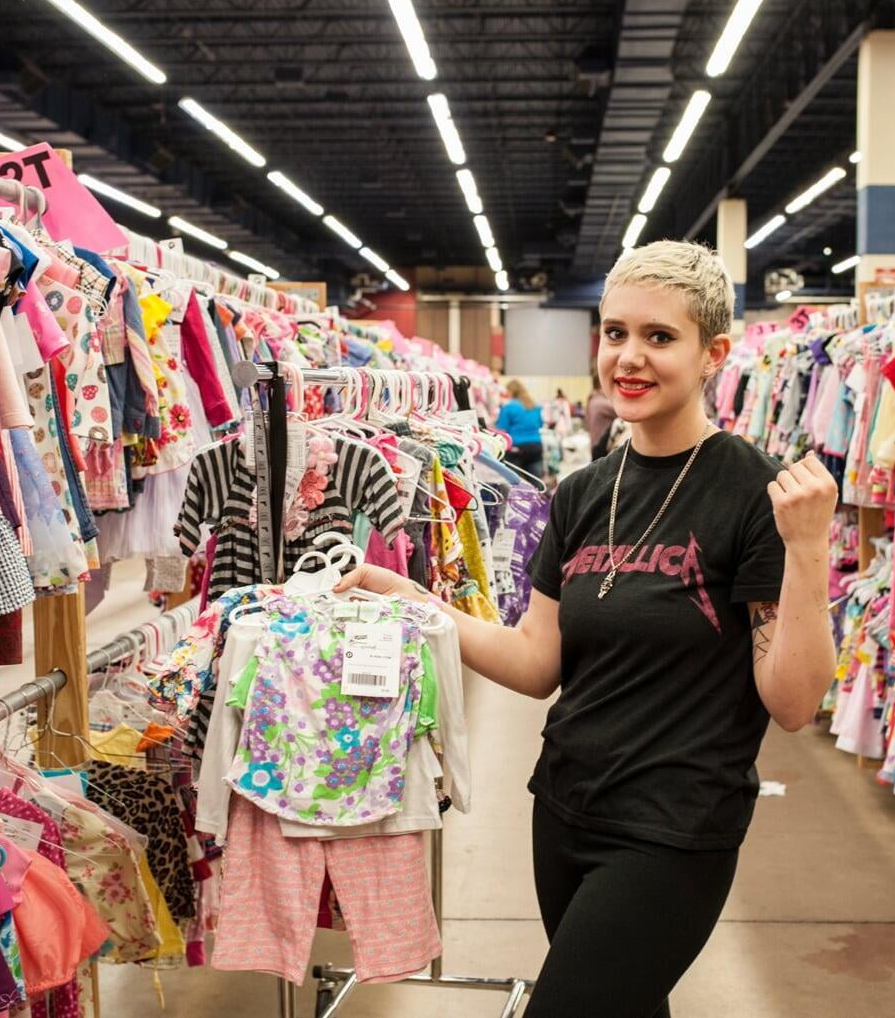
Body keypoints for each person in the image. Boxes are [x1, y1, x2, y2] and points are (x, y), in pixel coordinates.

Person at [336, 240, 839, 1017]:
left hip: (673, 832)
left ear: (714, 354)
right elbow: (540, 662)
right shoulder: (579, 493)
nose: (628, 358)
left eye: (659, 337)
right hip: (563, 812)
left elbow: (794, 701)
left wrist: (808, 552)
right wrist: (412, 599)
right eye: (614, 333)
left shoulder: (754, 492)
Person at [496, 379, 545, 479]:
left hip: (516, 449)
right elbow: (540, 424)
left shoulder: (508, 407)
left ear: (511, 391)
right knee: (537, 483)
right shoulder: (536, 406)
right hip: (536, 446)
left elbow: (501, 430)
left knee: (516, 484)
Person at [584, 374, 617, 460]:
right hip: (602, 446)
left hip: (595, 443)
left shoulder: (592, 400)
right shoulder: (601, 403)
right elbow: (623, 412)